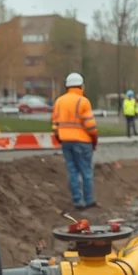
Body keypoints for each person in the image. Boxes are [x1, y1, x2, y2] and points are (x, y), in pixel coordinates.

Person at [52, 72, 99, 211]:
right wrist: (94, 140)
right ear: (81, 86)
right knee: (86, 172)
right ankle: (89, 200)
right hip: (83, 142)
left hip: (65, 141)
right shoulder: (83, 101)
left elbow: (55, 126)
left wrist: (60, 138)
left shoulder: (59, 101)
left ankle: (77, 201)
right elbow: (91, 127)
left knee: (72, 171)